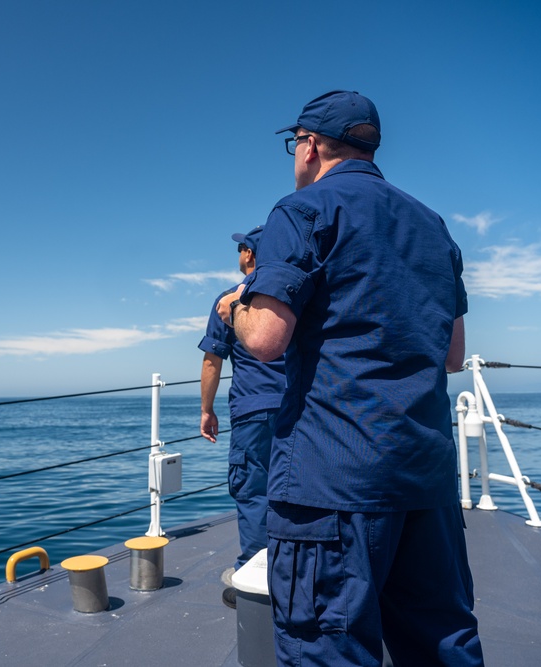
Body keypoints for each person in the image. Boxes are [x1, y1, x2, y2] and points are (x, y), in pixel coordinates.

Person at [218, 91, 482, 666]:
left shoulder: (304, 209)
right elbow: (453, 356)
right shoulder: (432, 224)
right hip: (424, 475)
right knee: (441, 643)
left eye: (296, 145)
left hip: (332, 480)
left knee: (329, 648)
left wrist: (235, 306)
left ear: (309, 145)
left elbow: (264, 339)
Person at [198, 228, 285, 604]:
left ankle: (254, 581)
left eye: (240, 248)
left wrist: (206, 409)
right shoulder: (289, 298)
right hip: (299, 407)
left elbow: (212, 361)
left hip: (253, 411)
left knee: (253, 492)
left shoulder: (229, 301)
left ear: (249, 255)